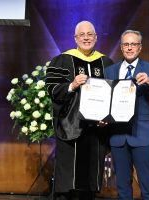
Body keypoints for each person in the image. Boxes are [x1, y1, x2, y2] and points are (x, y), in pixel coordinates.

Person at [45, 21, 113, 200]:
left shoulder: (106, 62)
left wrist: (108, 117)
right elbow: (51, 89)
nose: (86, 38)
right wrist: (72, 85)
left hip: (96, 131)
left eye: (90, 34)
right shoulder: (62, 60)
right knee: (68, 182)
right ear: (75, 38)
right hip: (71, 127)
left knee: (89, 181)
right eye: (82, 34)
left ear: (96, 37)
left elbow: (113, 94)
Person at [105, 30, 149, 200]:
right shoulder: (110, 71)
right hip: (118, 137)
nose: (129, 48)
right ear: (121, 47)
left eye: (133, 44)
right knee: (123, 189)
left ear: (140, 48)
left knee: (147, 188)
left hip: (144, 137)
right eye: (126, 44)